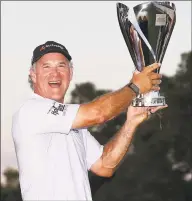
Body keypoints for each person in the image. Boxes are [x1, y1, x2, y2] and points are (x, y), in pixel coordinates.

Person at [12, 41, 166, 200]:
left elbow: (105, 165)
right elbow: (99, 113)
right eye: (46, 67)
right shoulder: (31, 110)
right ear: (33, 74)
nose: (55, 73)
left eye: (61, 66)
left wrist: (130, 122)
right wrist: (135, 88)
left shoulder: (73, 122)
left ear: (70, 73)